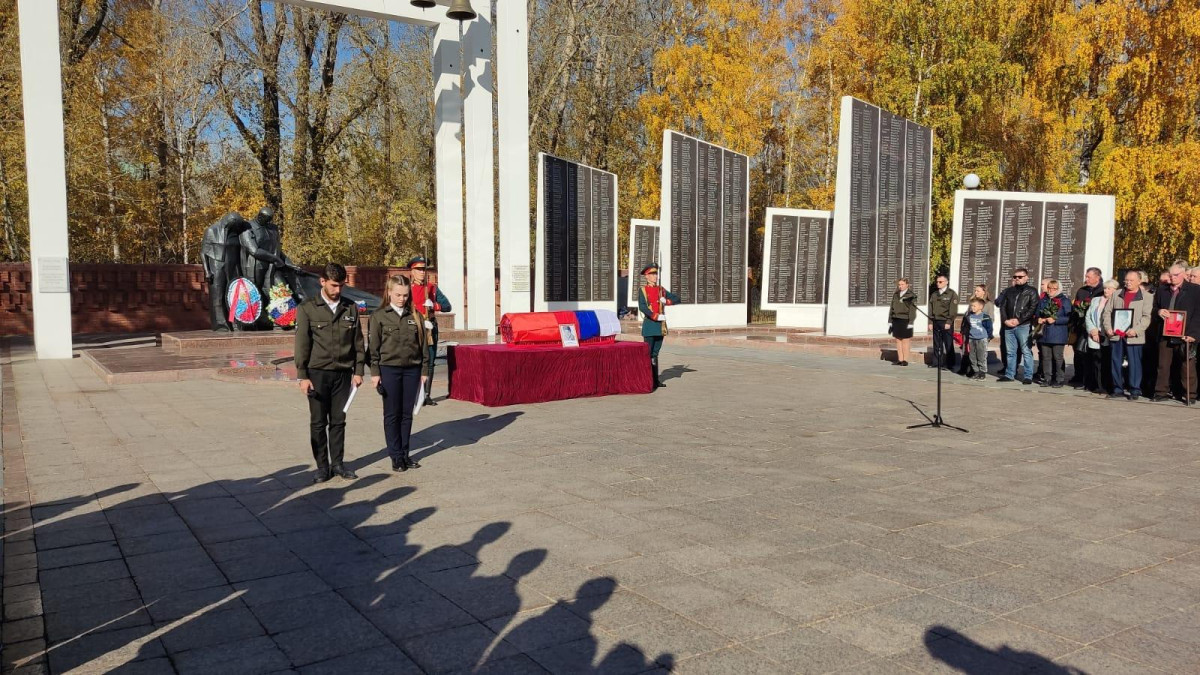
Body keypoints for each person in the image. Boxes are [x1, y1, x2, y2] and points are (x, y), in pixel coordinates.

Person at [294, 263, 365, 483]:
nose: (338, 290)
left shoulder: (350, 308)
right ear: (322, 281)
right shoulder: (308, 308)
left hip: (342, 374)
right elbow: (302, 344)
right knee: (318, 422)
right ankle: (322, 467)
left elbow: (358, 342)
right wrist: (302, 375)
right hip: (317, 373)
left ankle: (338, 464)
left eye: (341, 285)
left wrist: (359, 370)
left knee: (338, 421)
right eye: (334, 285)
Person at [369, 275, 432, 473]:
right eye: (397, 295)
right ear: (389, 293)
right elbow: (373, 348)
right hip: (389, 369)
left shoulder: (415, 316)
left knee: (406, 415)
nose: (401, 299)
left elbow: (423, 346)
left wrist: (424, 370)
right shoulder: (379, 316)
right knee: (392, 414)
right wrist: (375, 373)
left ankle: (405, 454)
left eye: (405, 295)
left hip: (412, 370)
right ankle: (395, 456)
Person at [1152, 262, 1200, 403]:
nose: (1172, 277)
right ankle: (1161, 392)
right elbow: (1153, 308)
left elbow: (1198, 314)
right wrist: (1159, 311)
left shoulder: (1195, 290)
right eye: (1170, 275)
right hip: (1166, 332)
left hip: (1186, 333)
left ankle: (1190, 395)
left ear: (1184, 274)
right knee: (1163, 364)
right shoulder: (1162, 290)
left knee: (1187, 365)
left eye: (1176, 275)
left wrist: (1194, 334)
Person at [407, 256, 451, 407]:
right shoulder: (407, 289)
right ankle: (414, 394)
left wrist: (434, 305)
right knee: (414, 362)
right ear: (412, 271)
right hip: (413, 328)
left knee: (430, 362)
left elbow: (447, 306)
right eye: (418, 269)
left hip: (430, 329)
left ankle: (426, 395)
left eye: (424, 269)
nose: (422, 272)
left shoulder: (432, 288)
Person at [1103, 270, 1153, 400]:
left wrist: (1136, 330)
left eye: (1131, 280)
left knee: (1135, 363)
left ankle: (1135, 389)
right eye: (1126, 280)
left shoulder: (1146, 296)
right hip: (1116, 334)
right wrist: (1108, 328)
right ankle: (1117, 389)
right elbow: (1107, 312)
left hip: (1134, 336)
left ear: (1139, 281)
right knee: (1115, 362)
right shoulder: (1117, 294)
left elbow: (1146, 317)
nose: (1128, 283)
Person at [637, 263, 680, 389]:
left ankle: (655, 381)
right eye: (652, 274)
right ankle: (647, 381)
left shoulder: (661, 290)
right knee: (648, 353)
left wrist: (667, 301)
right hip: (650, 326)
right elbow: (642, 307)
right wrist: (655, 316)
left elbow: (677, 299)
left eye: (656, 274)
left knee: (655, 353)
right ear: (646, 276)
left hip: (660, 327)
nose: (655, 276)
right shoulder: (643, 290)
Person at [998, 267, 1038, 384]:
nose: (1017, 279)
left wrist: (1019, 320)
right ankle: (1009, 374)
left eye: (1020, 277)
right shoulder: (1009, 291)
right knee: (1010, 352)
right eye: (1015, 277)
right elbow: (1002, 307)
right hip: (1008, 325)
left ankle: (1028, 376)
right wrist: (1005, 320)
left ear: (1026, 278)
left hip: (1023, 325)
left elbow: (1032, 308)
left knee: (1026, 351)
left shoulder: (1032, 291)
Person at [1068, 267, 1105, 389]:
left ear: (1097, 277)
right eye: (1086, 276)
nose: (1086, 279)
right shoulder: (1082, 291)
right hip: (1081, 327)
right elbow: (1076, 307)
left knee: (1093, 356)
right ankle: (1079, 377)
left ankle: (1093, 381)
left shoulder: (1102, 291)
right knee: (1079, 353)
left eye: (1089, 277)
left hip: (1096, 329)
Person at [1083, 279, 1118, 395]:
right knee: (1096, 361)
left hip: (1108, 335)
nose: (1106, 290)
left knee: (1107, 361)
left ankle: (1108, 385)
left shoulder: (1117, 301)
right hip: (1095, 334)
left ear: (1115, 290)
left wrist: (1106, 331)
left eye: (1109, 288)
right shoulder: (1096, 300)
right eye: (1105, 288)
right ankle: (1097, 385)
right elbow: (1088, 316)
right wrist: (1092, 330)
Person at [1035, 280, 1070, 387]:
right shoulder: (1043, 300)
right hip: (1044, 333)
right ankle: (1047, 378)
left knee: (1057, 357)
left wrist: (1056, 320)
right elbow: (1037, 313)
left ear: (1059, 289)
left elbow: (1069, 317)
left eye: (1054, 288)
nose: (1051, 290)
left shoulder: (1064, 301)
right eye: (1049, 288)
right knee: (1046, 357)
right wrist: (1038, 318)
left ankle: (1059, 378)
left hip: (1058, 333)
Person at [927, 274, 959, 369]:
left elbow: (953, 310)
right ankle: (937, 362)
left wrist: (949, 322)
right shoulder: (934, 294)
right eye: (937, 282)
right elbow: (930, 309)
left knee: (948, 343)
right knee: (937, 343)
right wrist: (930, 322)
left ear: (946, 282)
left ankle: (950, 364)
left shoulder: (951, 294)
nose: (938, 283)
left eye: (940, 282)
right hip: (936, 321)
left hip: (945, 321)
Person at [959, 297, 993, 380]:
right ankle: (976, 371)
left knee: (981, 356)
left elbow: (989, 328)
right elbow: (967, 325)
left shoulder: (985, 317)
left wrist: (988, 337)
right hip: (972, 339)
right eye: (971, 306)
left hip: (982, 339)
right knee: (972, 356)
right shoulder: (969, 316)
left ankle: (982, 373)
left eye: (974, 306)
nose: (972, 307)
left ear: (981, 307)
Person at [888, 278, 917, 366]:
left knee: (905, 340)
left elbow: (912, 310)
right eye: (899, 285)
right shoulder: (896, 294)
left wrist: (911, 322)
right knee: (898, 340)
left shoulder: (911, 295)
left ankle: (905, 360)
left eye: (902, 284)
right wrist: (890, 320)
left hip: (905, 319)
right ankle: (900, 359)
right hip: (896, 319)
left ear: (907, 285)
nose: (900, 286)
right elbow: (892, 307)